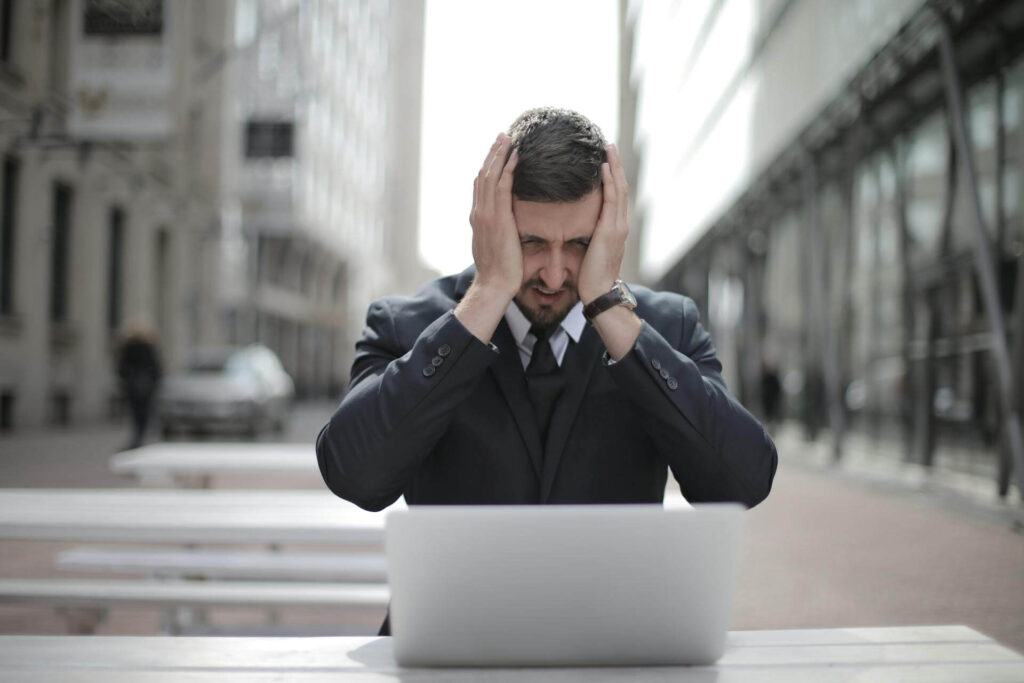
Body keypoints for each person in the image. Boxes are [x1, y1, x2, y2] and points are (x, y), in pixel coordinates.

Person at [316, 107, 778, 634]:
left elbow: (743, 481)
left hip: (613, 658)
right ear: (489, 224)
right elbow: (355, 476)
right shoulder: (405, 324)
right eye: (531, 242)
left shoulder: (664, 328)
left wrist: (608, 307)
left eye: (578, 244)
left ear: (611, 228)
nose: (555, 274)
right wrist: (487, 294)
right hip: (447, 655)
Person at [116, 321, 162, 449]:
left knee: (137, 412)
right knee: (144, 412)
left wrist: (125, 380)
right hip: (145, 387)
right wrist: (155, 382)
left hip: (133, 386)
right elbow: (156, 368)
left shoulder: (127, 347)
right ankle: (140, 435)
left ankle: (138, 436)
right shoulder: (148, 347)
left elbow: (122, 368)